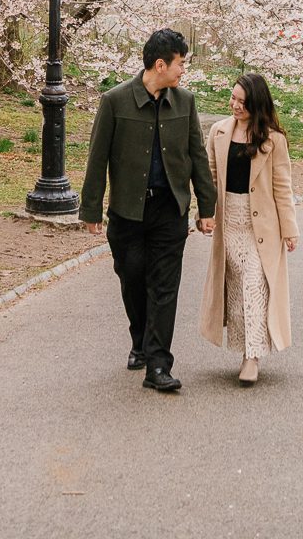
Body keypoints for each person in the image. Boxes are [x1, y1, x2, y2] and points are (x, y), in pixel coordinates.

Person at [79, 29, 217, 393]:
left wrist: (206, 206)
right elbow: (97, 158)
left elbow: (196, 156)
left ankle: (158, 365)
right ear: (161, 64)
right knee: (132, 278)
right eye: (180, 63)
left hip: (170, 210)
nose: (183, 70)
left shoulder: (184, 102)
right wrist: (91, 208)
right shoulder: (115, 101)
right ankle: (139, 340)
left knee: (164, 287)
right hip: (127, 212)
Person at [199, 72, 299, 385]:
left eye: (242, 101)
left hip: (262, 228)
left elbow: (283, 187)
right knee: (236, 292)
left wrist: (290, 229)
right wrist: (204, 214)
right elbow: (210, 179)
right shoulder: (218, 132)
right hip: (229, 222)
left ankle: (252, 357)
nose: (235, 105)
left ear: (256, 104)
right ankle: (244, 347)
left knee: (255, 285)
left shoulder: (273, 140)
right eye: (233, 98)